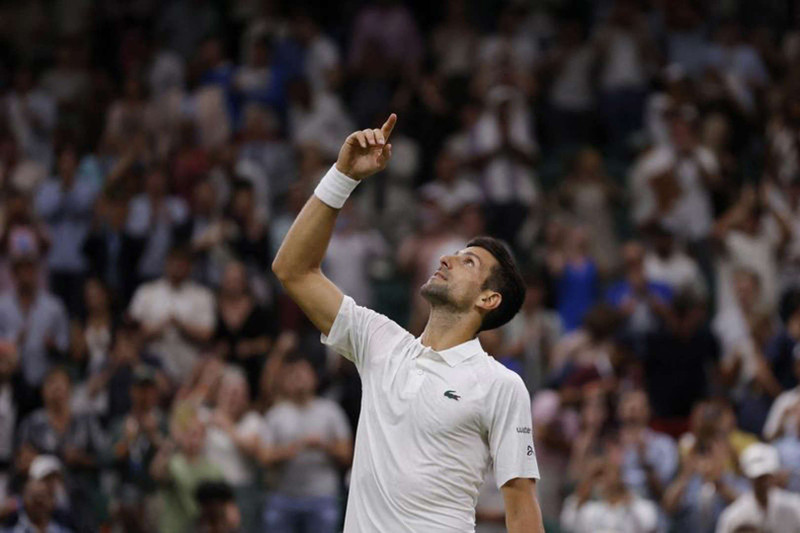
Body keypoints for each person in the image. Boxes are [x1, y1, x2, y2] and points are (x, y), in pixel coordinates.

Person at [272, 114, 543, 531]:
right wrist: (343, 175)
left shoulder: (500, 385)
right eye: (454, 252)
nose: (446, 258)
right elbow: (293, 269)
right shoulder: (379, 341)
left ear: (489, 299)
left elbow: (521, 505)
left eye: (467, 260)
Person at [128, 246, 215, 383]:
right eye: (174, 262)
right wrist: (160, 327)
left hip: (190, 368)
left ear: (190, 267)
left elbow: (207, 334)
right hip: (152, 367)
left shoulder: (202, 295)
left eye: (182, 263)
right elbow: (130, 333)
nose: (178, 267)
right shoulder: (146, 292)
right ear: (166, 263)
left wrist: (180, 325)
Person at [716, 443, 800, 533]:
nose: (763, 482)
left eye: (765, 477)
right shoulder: (733, 516)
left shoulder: (794, 506)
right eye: (757, 479)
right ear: (748, 477)